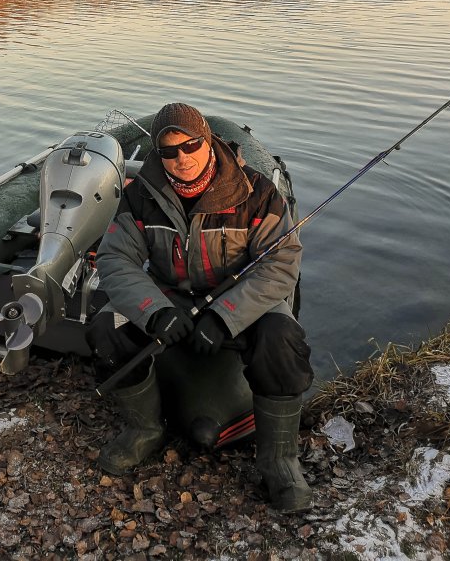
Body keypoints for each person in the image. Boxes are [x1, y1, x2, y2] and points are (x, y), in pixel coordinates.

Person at [87, 102, 314, 513]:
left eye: (191, 145)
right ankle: (145, 430)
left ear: (208, 141)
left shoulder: (257, 193)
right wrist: (154, 310)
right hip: (170, 297)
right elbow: (115, 261)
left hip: (242, 299)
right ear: (158, 154)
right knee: (106, 326)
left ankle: (280, 459)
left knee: (283, 339)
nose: (182, 159)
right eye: (169, 151)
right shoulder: (140, 197)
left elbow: (281, 267)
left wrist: (224, 318)